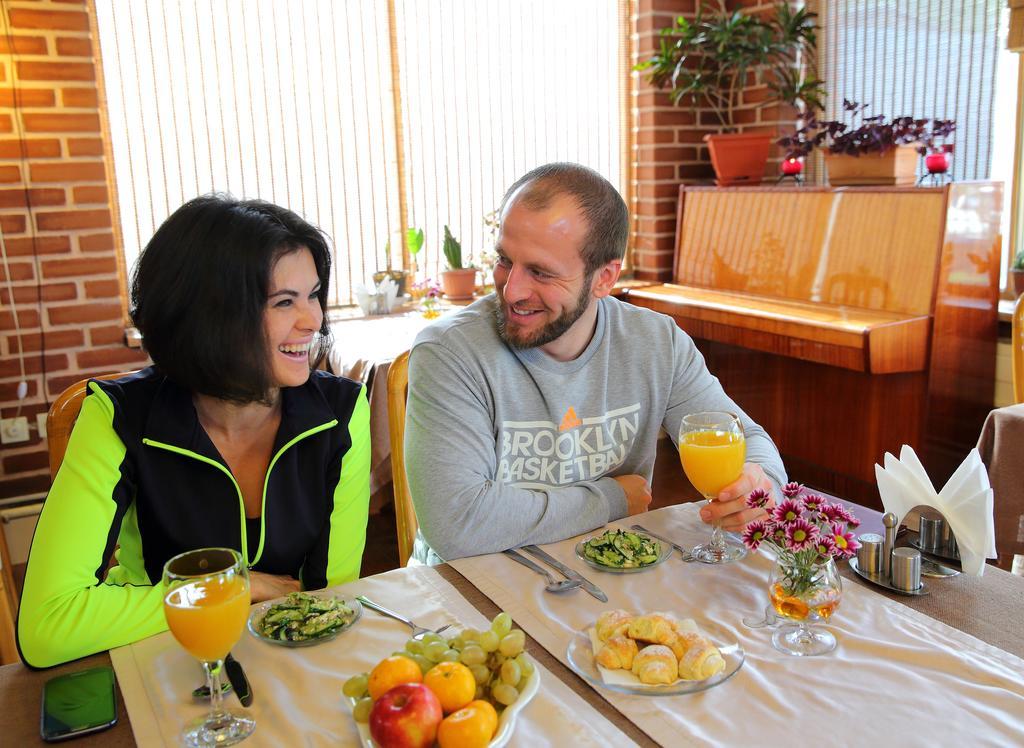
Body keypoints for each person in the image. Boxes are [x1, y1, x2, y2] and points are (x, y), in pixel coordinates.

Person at [18, 195, 370, 668]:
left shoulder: (341, 412)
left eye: (313, 295)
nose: (313, 320)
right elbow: (49, 625)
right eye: (284, 301)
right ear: (210, 316)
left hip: (288, 662)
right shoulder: (119, 417)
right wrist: (235, 589)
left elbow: (332, 599)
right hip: (163, 660)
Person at [405, 163, 785, 564]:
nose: (512, 288)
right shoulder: (449, 351)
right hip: (469, 591)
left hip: (608, 576)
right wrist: (612, 498)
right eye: (504, 260)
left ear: (604, 278)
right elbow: (457, 526)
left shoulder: (657, 342)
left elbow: (749, 441)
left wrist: (760, 487)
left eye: (540, 272)